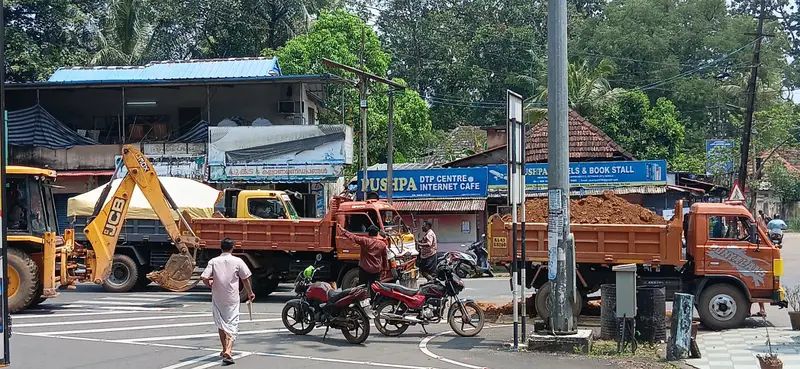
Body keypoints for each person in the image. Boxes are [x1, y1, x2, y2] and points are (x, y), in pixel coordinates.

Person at [201, 238, 255, 365]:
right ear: (232, 248)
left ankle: (224, 348)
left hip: (218, 297)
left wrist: (209, 284)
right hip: (232, 297)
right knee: (232, 323)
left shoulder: (213, 261)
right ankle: (229, 351)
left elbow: (204, 277)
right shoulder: (238, 261)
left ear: (221, 248)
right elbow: (245, 278)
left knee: (221, 323)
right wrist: (250, 292)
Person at [337, 224, 388, 291]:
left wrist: (343, 230)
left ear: (369, 233)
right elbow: (385, 257)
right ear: (377, 233)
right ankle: (373, 298)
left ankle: (362, 297)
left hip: (364, 269)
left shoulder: (364, 241)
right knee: (375, 289)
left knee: (362, 289)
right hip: (376, 270)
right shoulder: (382, 244)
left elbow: (353, 237)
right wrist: (385, 269)